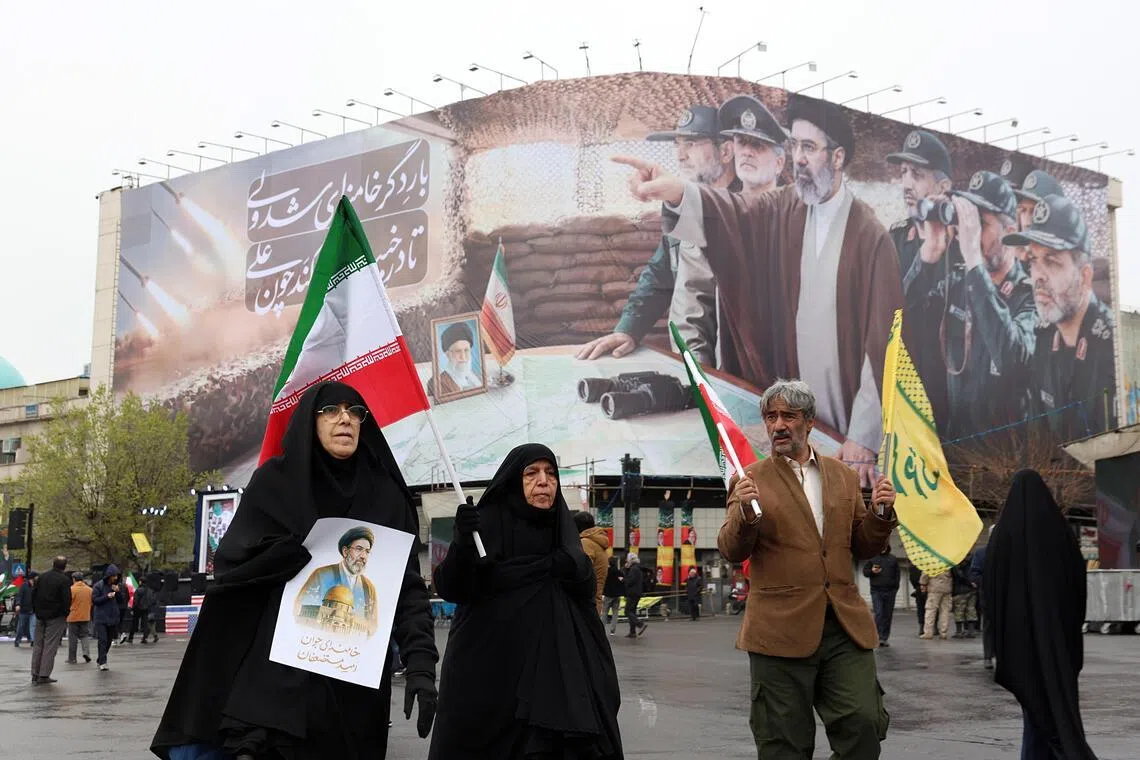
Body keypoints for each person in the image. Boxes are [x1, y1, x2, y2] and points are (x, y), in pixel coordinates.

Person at [617, 95, 903, 487]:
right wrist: (676, 192)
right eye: (796, 145)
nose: (800, 157)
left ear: (837, 158)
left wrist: (863, 436)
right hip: (785, 410)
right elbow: (734, 215)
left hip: (842, 421)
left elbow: (884, 345)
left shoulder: (869, 235)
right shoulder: (784, 207)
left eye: (810, 148)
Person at [152, 381, 438, 759]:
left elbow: (406, 588)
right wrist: (282, 556)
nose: (345, 419)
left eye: (355, 412)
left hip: (349, 690)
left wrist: (421, 663)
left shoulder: (386, 498)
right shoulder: (275, 484)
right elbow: (233, 566)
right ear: (310, 421)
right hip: (272, 684)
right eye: (332, 411)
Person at [718, 379, 896, 757]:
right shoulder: (749, 479)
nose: (778, 425)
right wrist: (746, 514)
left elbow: (863, 546)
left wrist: (881, 514)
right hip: (778, 632)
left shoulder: (843, 475)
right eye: (770, 417)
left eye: (788, 416)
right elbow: (732, 550)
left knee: (864, 725)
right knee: (784, 745)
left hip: (843, 627)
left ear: (809, 422)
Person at [429, 443, 623, 759]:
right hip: (492, 682)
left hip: (557, 690)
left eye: (550, 473)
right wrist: (462, 543)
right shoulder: (486, 524)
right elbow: (454, 587)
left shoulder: (563, 530)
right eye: (531, 473)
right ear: (512, 480)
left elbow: (583, 592)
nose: (543, 481)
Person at [577, 104, 738, 365]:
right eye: (677, 144)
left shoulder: (754, 211)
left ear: (727, 151)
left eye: (692, 143)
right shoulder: (686, 207)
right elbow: (662, 272)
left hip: (740, 369)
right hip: (698, 364)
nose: (680, 155)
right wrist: (629, 329)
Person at [985, 470, 1098, 759]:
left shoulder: (1004, 535)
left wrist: (998, 639)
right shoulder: (1061, 534)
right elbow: (1078, 586)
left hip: (1019, 642)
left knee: (1034, 705)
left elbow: (991, 589)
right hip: (1060, 641)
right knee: (1059, 704)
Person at [916, 172, 1036, 441]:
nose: (969, 233)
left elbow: (1013, 359)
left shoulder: (1029, 297)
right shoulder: (958, 284)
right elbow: (902, 324)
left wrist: (974, 262)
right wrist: (928, 255)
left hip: (1001, 464)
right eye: (967, 223)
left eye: (980, 223)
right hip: (953, 453)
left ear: (1010, 233)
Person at [1006, 195, 1115, 439]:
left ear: (1085, 277)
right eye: (1034, 261)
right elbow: (1038, 440)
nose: (1038, 276)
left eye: (1052, 262)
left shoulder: (1112, 347)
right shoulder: (1044, 339)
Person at [885, 129, 956, 428]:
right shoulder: (895, 240)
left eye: (917, 174)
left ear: (943, 186)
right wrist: (924, 260)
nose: (906, 184)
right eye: (903, 173)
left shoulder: (966, 247)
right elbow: (888, 313)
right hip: (905, 400)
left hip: (956, 409)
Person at [294, 526, 380, 635]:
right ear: (345, 551)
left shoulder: (368, 587)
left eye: (367, 551)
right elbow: (297, 610)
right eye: (359, 549)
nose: (363, 556)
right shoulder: (321, 574)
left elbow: (372, 626)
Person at [30, 556, 72, 684]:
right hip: (56, 616)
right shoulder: (64, 580)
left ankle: (35, 673)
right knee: (50, 645)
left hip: (40, 615)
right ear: (64, 566)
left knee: (38, 645)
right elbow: (66, 599)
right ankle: (44, 674)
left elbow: (34, 594)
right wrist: (65, 613)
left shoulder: (42, 577)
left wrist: (36, 610)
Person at [92, 565, 128, 671]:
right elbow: (95, 600)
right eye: (114, 576)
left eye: (117, 576)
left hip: (113, 617)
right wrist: (107, 596)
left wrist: (118, 592)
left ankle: (100, 659)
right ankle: (103, 662)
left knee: (108, 641)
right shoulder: (98, 586)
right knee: (102, 640)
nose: (115, 578)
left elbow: (122, 601)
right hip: (101, 617)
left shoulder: (116, 586)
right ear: (109, 576)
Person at [574, 510, 611, 613]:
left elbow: (581, 571)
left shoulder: (586, 543)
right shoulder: (598, 543)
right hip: (594, 600)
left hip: (585, 603)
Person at [862, 546, 900, 647]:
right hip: (876, 591)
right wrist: (872, 571)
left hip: (890, 591)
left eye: (884, 546)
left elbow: (897, 575)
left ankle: (884, 638)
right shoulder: (873, 558)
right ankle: (877, 637)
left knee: (887, 615)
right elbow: (865, 572)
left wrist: (895, 589)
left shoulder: (893, 559)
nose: (882, 548)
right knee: (878, 613)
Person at [969, 529, 994, 669]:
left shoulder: (1012, 552)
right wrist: (985, 583)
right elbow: (974, 573)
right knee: (989, 626)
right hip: (988, 595)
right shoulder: (981, 553)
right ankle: (988, 656)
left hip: (1008, 596)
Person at [437, 322, 481, 394]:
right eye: (458, 351)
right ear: (448, 354)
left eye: (466, 350)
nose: (463, 357)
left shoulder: (475, 378)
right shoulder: (439, 383)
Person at [919, 568, 953, 640]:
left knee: (930, 610)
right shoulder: (947, 562)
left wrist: (923, 584)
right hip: (947, 589)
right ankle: (943, 633)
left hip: (934, 589)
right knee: (945, 611)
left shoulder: (931, 561)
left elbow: (925, 574)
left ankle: (928, 633)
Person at [66, 572, 93, 663]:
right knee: (84, 635)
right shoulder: (89, 590)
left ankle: (72, 658)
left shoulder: (71, 589)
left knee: (72, 638)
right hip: (85, 616)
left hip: (73, 616)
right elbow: (92, 602)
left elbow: (68, 602)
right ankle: (86, 653)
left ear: (74, 579)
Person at [950, 555, 978, 639]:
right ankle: (971, 631)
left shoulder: (956, 564)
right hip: (972, 590)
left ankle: (959, 631)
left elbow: (959, 576)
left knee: (959, 610)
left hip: (961, 590)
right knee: (971, 609)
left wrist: (969, 583)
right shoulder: (971, 561)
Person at [623, 553, 647, 638]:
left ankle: (640, 624)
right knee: (632, 611)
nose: (626, 561)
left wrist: (624, 579)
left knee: (627, 611)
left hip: (632, 593)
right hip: (637, 592)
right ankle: (632, 632)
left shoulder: (634, 569)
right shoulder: (637, 569)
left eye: (628, 559)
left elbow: (630, 581)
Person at [129, 576, 158, 643]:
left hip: (138, 609)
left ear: (140, 582)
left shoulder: (138, 590)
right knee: (145, 624)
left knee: (134, 623)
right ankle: (144, 638)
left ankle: (131, 638)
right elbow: (153, 600)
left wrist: (133, 609)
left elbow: (136, 601)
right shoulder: (150, 590)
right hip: (146, 609)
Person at [602, 556, 625, 635]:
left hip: (608, 594)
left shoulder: (606, 571)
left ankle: (602, 629)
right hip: (617, 595)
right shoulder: (619, 572)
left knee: (604, 612)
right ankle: (612, 630)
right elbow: (623, 581)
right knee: (615, 613)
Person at [13, 570, 36, 647]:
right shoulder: (23, 586)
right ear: (30, 579)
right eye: (33, 579)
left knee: (33, 625)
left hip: (33, 610)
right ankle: (17, 640)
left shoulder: (36, 586)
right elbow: (19, 596)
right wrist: (18, 604)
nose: (34, 581)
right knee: (21, 626)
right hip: (23, 610)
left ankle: (33, 640)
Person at [908, 565, 926, 638]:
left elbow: (912, 578)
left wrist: (917, 587)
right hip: (928, 588)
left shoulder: (914, 565)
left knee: (921, 609)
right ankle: (933, 627)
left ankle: (922, 627)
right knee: (931, 609)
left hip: (919, 589)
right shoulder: (929, 563)